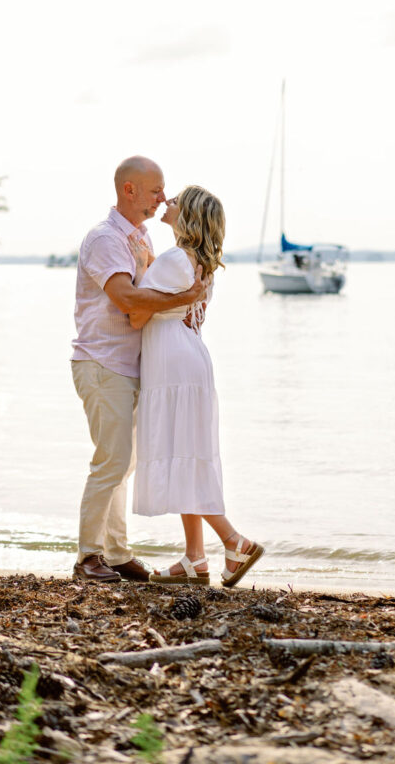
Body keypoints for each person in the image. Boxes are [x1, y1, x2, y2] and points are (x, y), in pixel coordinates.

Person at [71, 157, 206, 582]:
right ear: (128, 190)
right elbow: (128, 300)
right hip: (102, 363)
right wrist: (182, 299)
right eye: (154, 191)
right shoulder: (105, 239)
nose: (162, 199)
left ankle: (115, 553)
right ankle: (87, 558)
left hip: (130, 368)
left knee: (123, 464)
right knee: (111, 462)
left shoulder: (141, 236)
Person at [130, 185, 263, 588]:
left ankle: (234, 542)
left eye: (174, 200)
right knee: (185, 453)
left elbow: (137, 313)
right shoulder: (195, 260)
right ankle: (194, 559)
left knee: (182, 454)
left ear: (186, 214)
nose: (166, 202)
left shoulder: (174, 259)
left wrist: (138, 269)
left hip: (173, 363)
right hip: (188, 358)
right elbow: (170, 301)